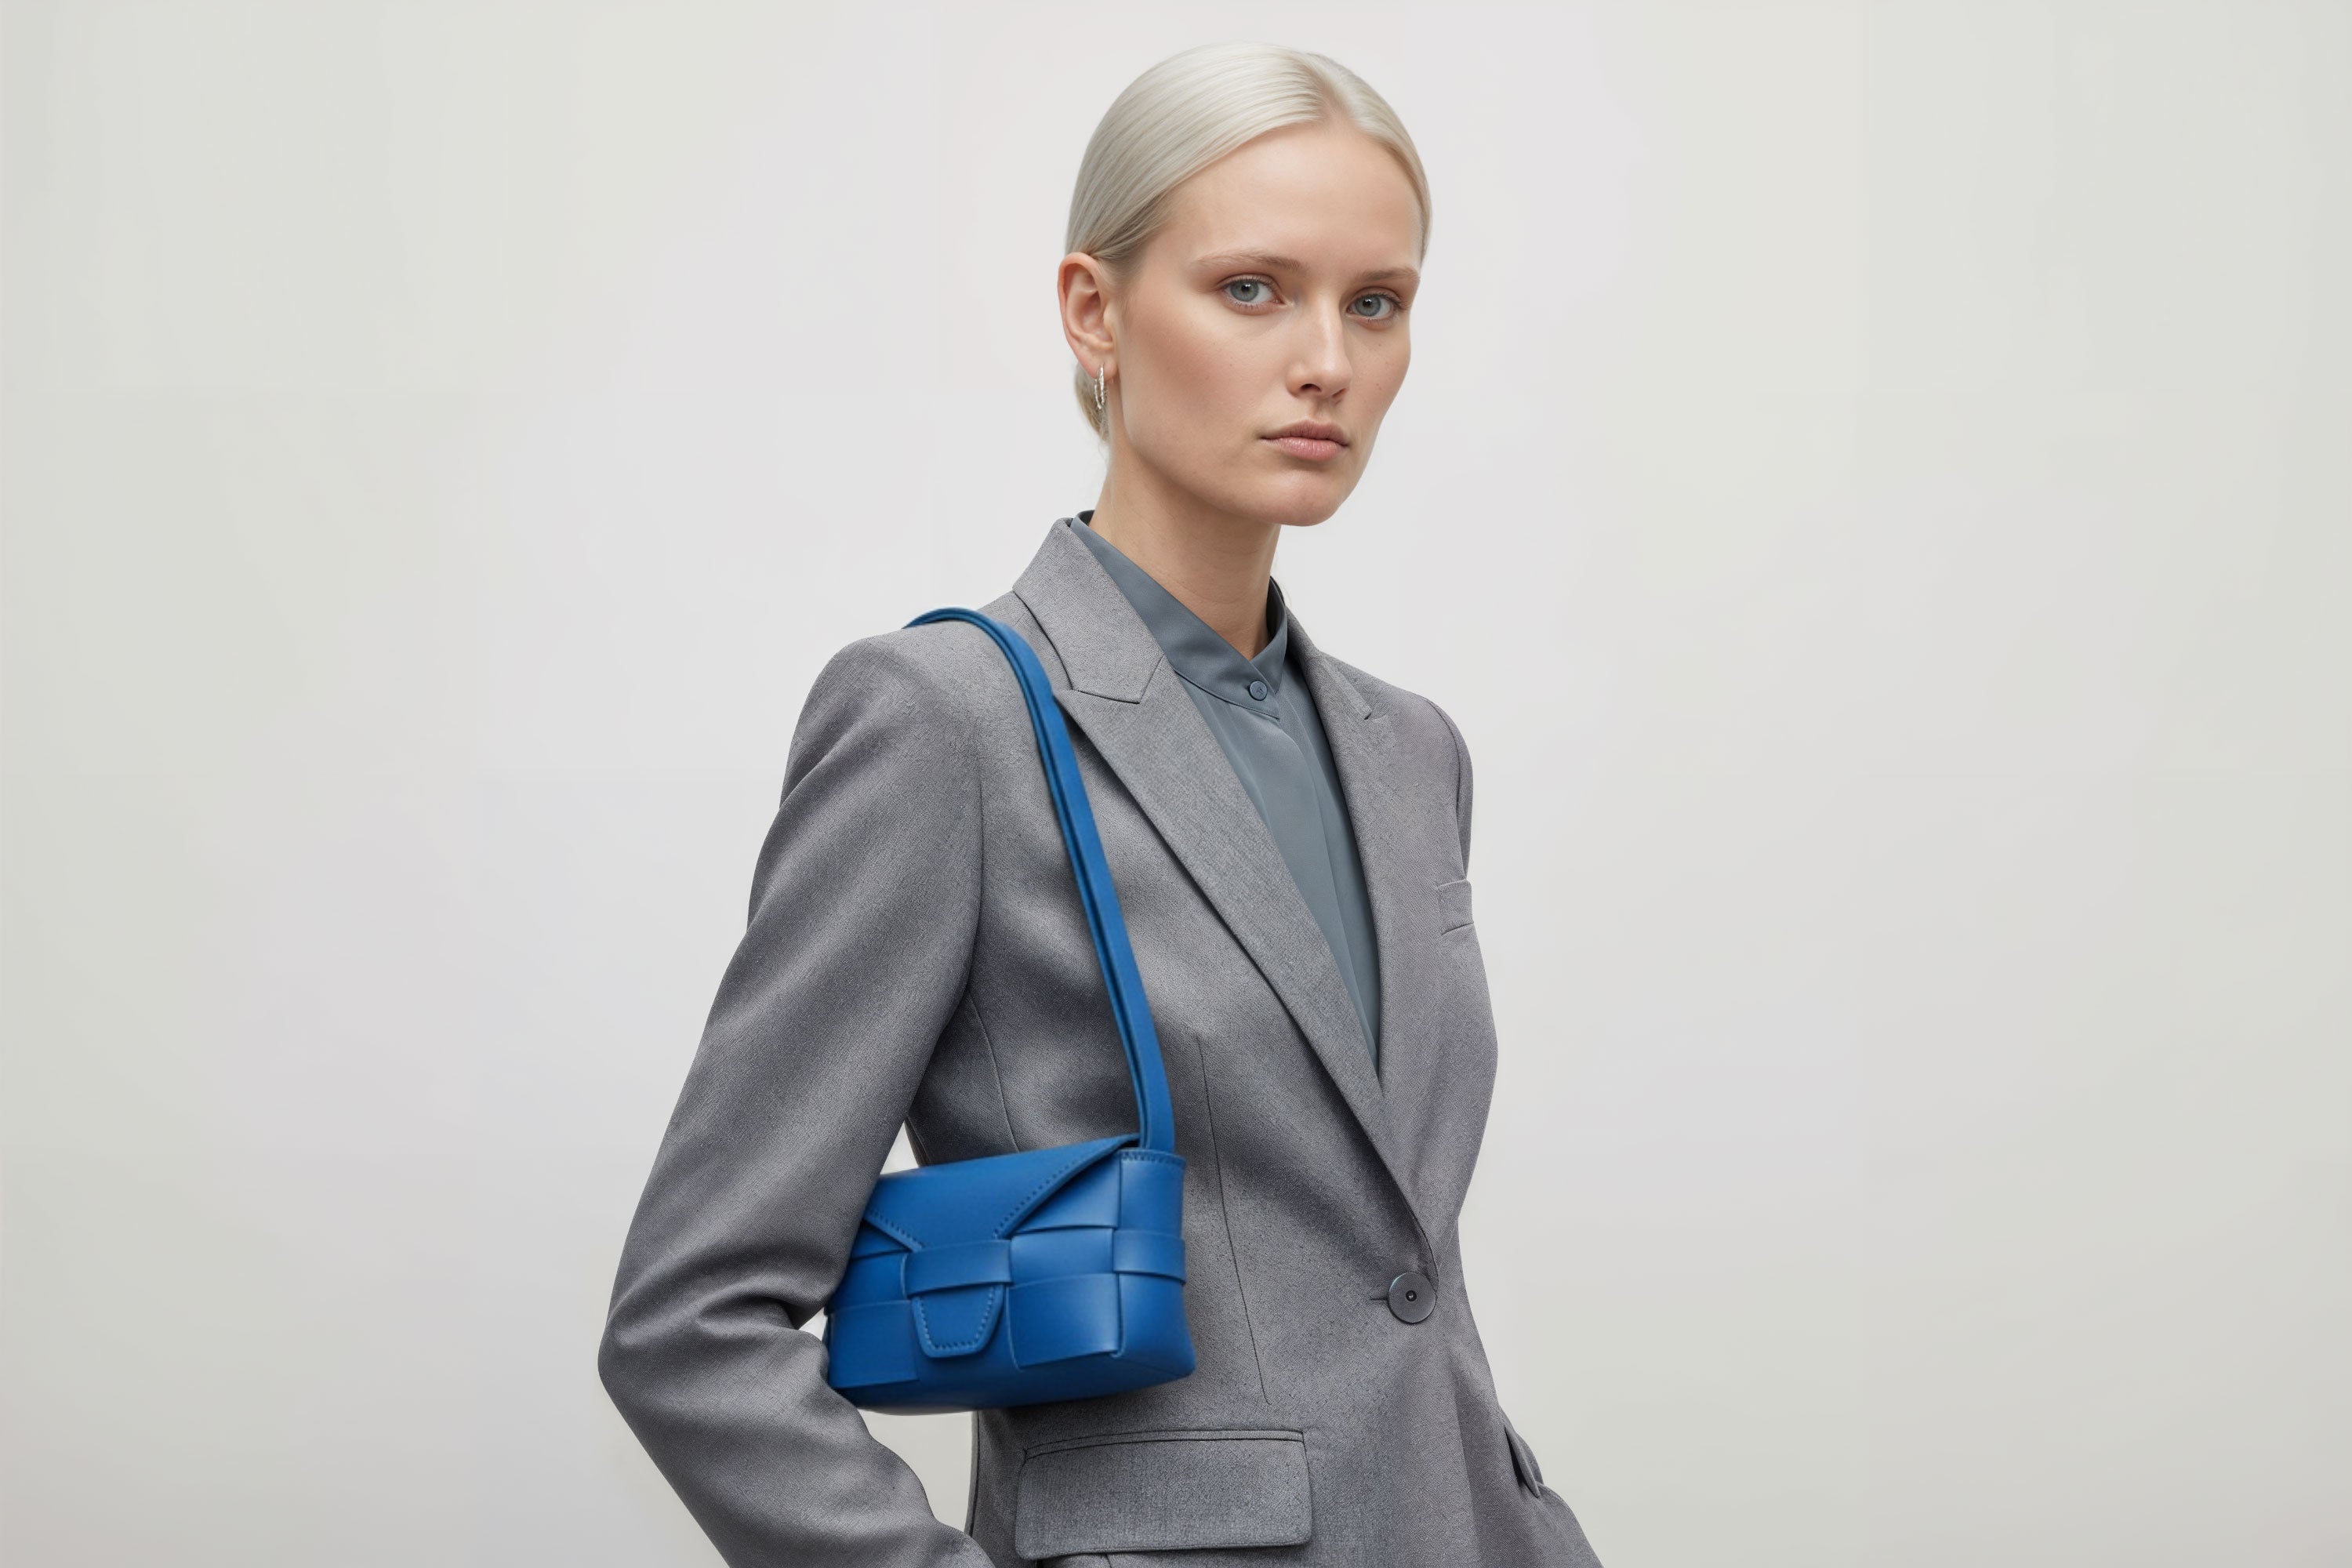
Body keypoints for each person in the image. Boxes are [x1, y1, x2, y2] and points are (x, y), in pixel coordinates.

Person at [596, 41, 1606, 1568]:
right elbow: (692, 1321)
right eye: (1253, 288)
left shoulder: (1413, 756)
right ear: (1095, 311)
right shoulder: (950, 722)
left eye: (1375, 303)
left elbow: (1392, 1272)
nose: (1326, 361)